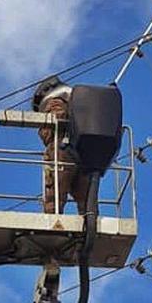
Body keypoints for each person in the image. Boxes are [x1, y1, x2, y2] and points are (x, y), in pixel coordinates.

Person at [32, 76, 93, 215]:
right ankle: (89, 222)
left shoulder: (53, 102)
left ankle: (52, 221)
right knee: (87, 198)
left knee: (55, 195)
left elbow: (53, 125)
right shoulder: (76, 104)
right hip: (83, 152)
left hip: (62, 151)